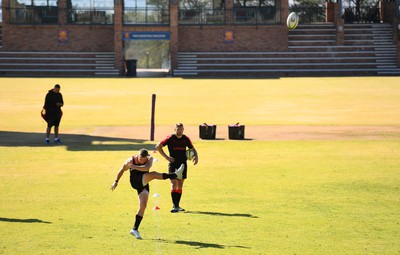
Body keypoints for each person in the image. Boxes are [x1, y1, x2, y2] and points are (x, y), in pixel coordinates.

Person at [110, 148, 185, 239]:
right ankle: (175, 175)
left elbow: (146, 168)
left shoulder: (150, 159)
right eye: (140, 158)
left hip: (144, 183)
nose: (141, 160)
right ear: (138, 156)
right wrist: (116, 181)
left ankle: (134, 229)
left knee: (143, 205)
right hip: (135, 181)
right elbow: (122, 170)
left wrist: (135, 167)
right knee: (153, 174)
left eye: (143, 159)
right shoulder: (130, 161)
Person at [155, 123, 198, 213]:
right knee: (174, 183)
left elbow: (193, 148)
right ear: (175, 129)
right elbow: (158, 146)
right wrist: (167, 157)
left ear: (183, 129)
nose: (180, 131)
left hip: (183, 164)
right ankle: (174, 206)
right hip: (173, 163)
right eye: (178, 129)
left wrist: (196, 156)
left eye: (181, 129)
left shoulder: (186, 138)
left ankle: (177, 205)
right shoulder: (170, 138)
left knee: (180, 183)